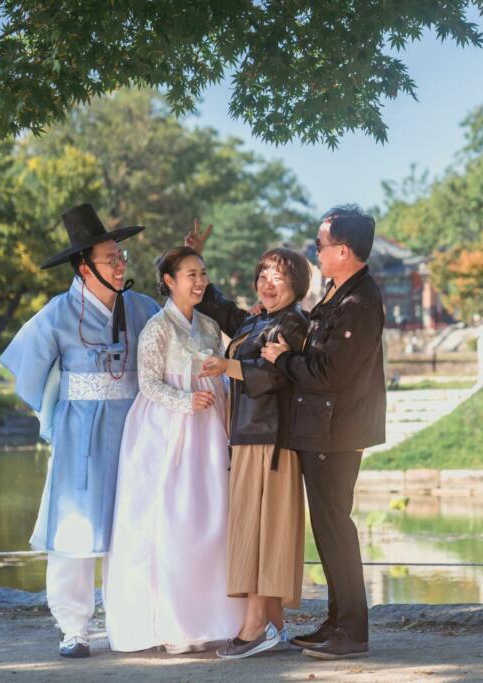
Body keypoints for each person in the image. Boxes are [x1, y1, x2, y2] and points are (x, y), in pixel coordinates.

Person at [0, 204, 160, 658]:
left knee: (133, 526)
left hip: (133, 428)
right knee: (74, 529)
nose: (121, 263)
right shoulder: (57, 313)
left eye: (121, 255)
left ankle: (132, 620)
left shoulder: (142, 307)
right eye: (111, 258)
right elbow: (27, 373)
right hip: (80, 435)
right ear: (84, 266)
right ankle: (74, 627)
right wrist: (54, 413)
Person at [261, 204, 387, 660]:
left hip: (338, 429)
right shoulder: (339, 293)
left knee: (336, 527)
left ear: (344, 251)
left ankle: (352, 632)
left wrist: (283, 361)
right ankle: (337, 622)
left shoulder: (358, 301)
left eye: (320, 245)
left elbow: (330, 373)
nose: (315, 252)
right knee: (328, 529)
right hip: (323, 428)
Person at [104, 246, 243, 654]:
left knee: (211, 519)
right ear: (169, 280)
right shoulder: (156, 328)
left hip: (209, 433)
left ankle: (213, 618)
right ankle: (173, 622)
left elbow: (221, 377)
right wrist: (185, 402)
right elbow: (147, 382)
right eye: (190, 275)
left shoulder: (209, 325)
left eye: (202, 274)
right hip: (165, 432)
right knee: (172, 521)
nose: (199, 282)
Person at [184, 221, 311, 659]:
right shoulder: (262, 320)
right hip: (248, 436)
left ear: (297, 284)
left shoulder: (293, 323)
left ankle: (255, 627)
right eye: (263, 275)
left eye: (278, 277)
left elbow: (276, 374)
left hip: (271, 441)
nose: (267, 283)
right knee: (256, 529)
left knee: (262, 531)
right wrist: (198, 258)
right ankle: (273, 626)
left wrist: (226, 367)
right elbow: (222, 311)